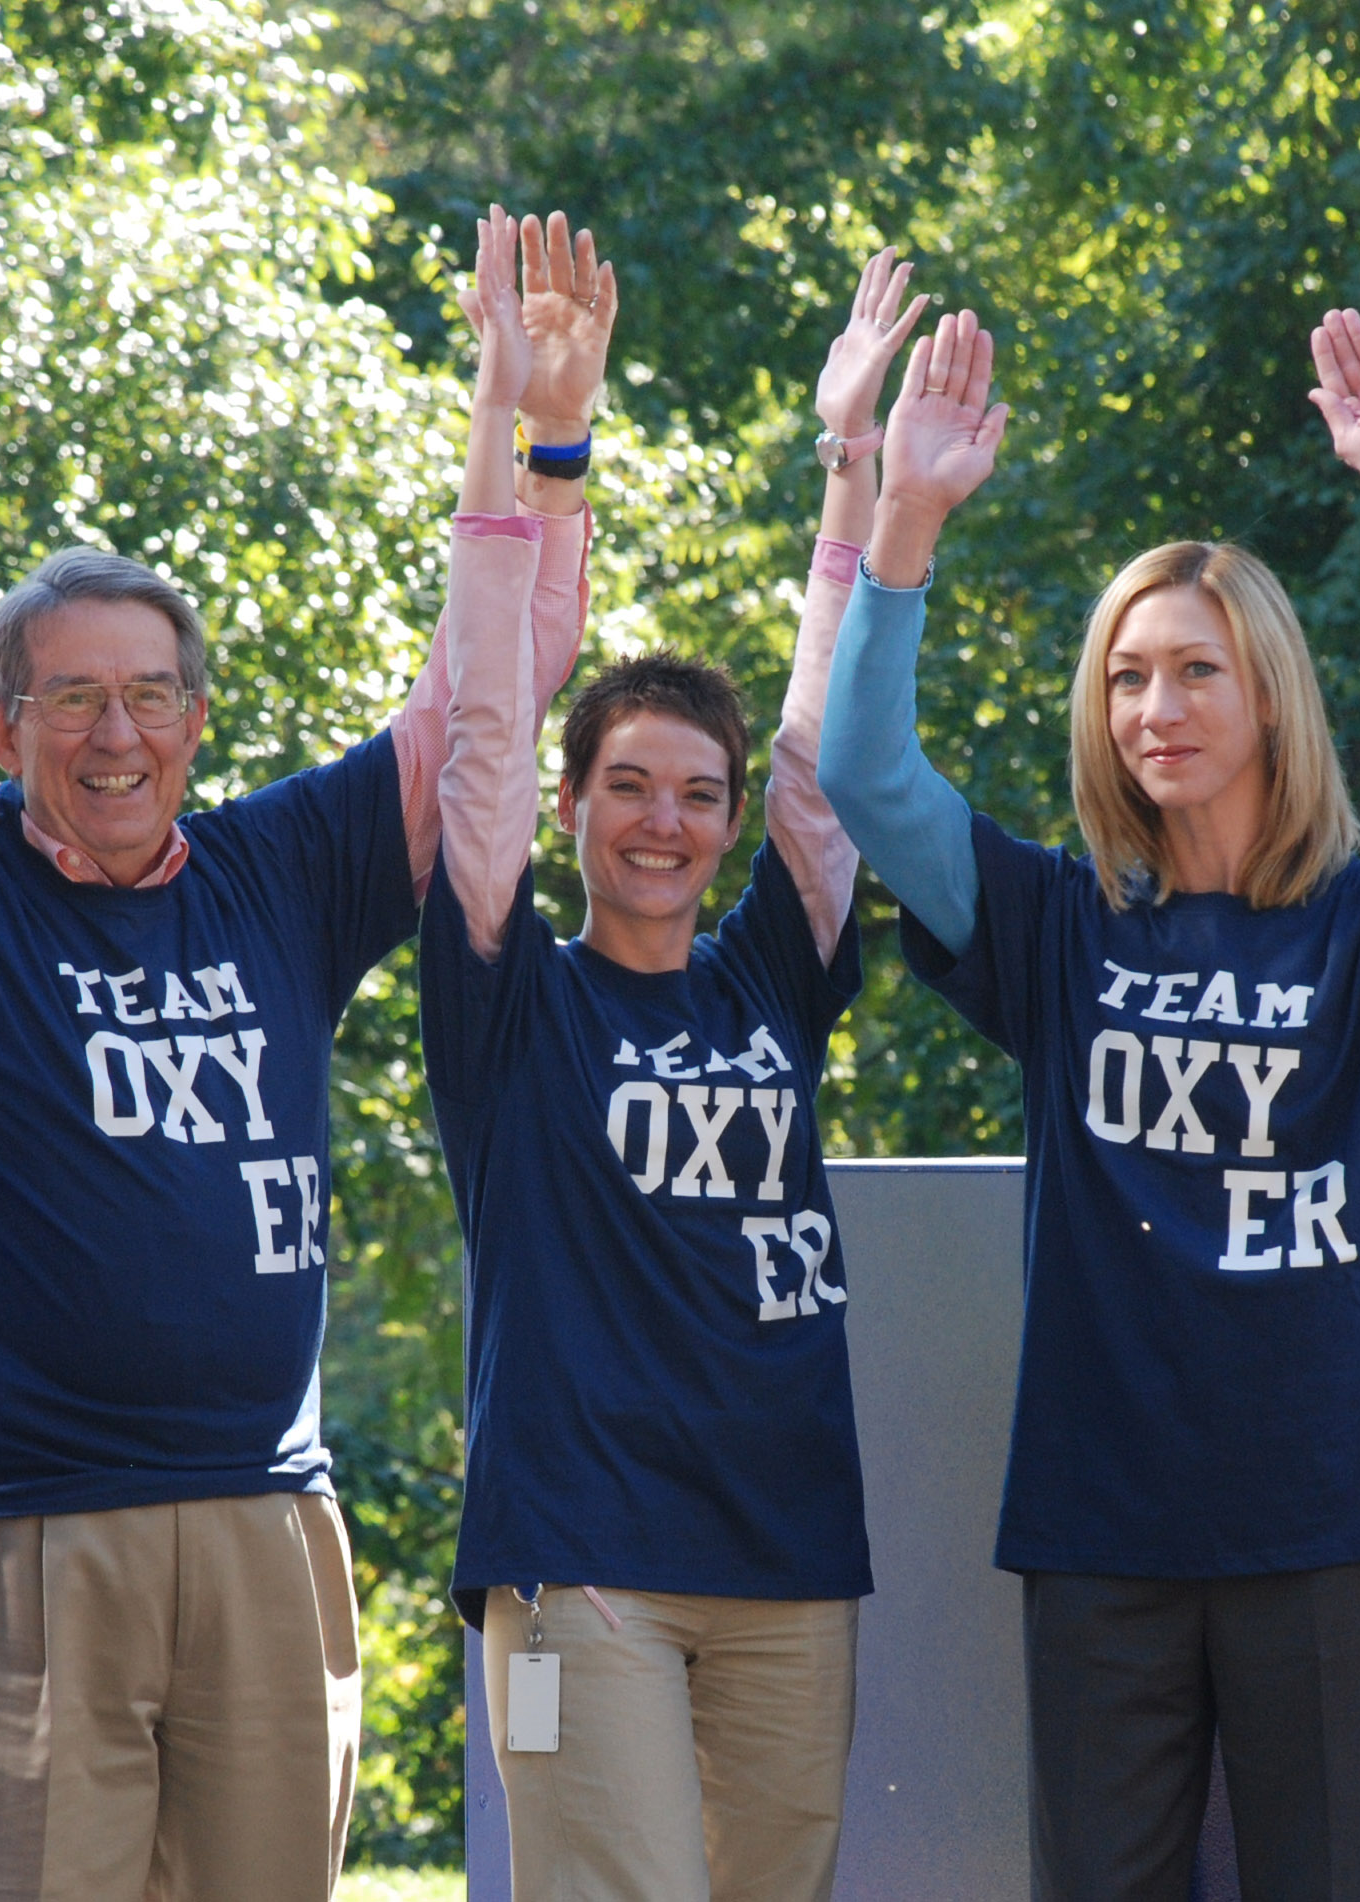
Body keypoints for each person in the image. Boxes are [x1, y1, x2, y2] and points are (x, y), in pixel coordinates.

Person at [0, 185, 612, 1901]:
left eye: (151, 695)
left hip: (265, 1526)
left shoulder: (279, 869)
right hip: (14, 1534)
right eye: (73, 698)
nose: (119, 734)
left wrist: (528, 438)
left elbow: (488, 707)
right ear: (1, 720)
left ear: (195, 713)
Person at [816, 306, 1360, 1901]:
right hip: (1105, 1526)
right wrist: (905, 515)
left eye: (1192, 670)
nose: (1152, 705)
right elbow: (864, 772)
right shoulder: (1053, 923)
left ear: (1268, 689)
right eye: (1123, 677)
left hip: (1336, 1507)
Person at [417, 221, 931, 1902]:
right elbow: (484, 725)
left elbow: (818, 753)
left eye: (692, 794)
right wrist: (512, 417)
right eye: (628, 785)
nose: (664, 819)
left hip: (783, 1552)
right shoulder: (510, 1000)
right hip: (583, 1571)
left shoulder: (766, 984)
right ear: (574, 810)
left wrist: (846, 462)